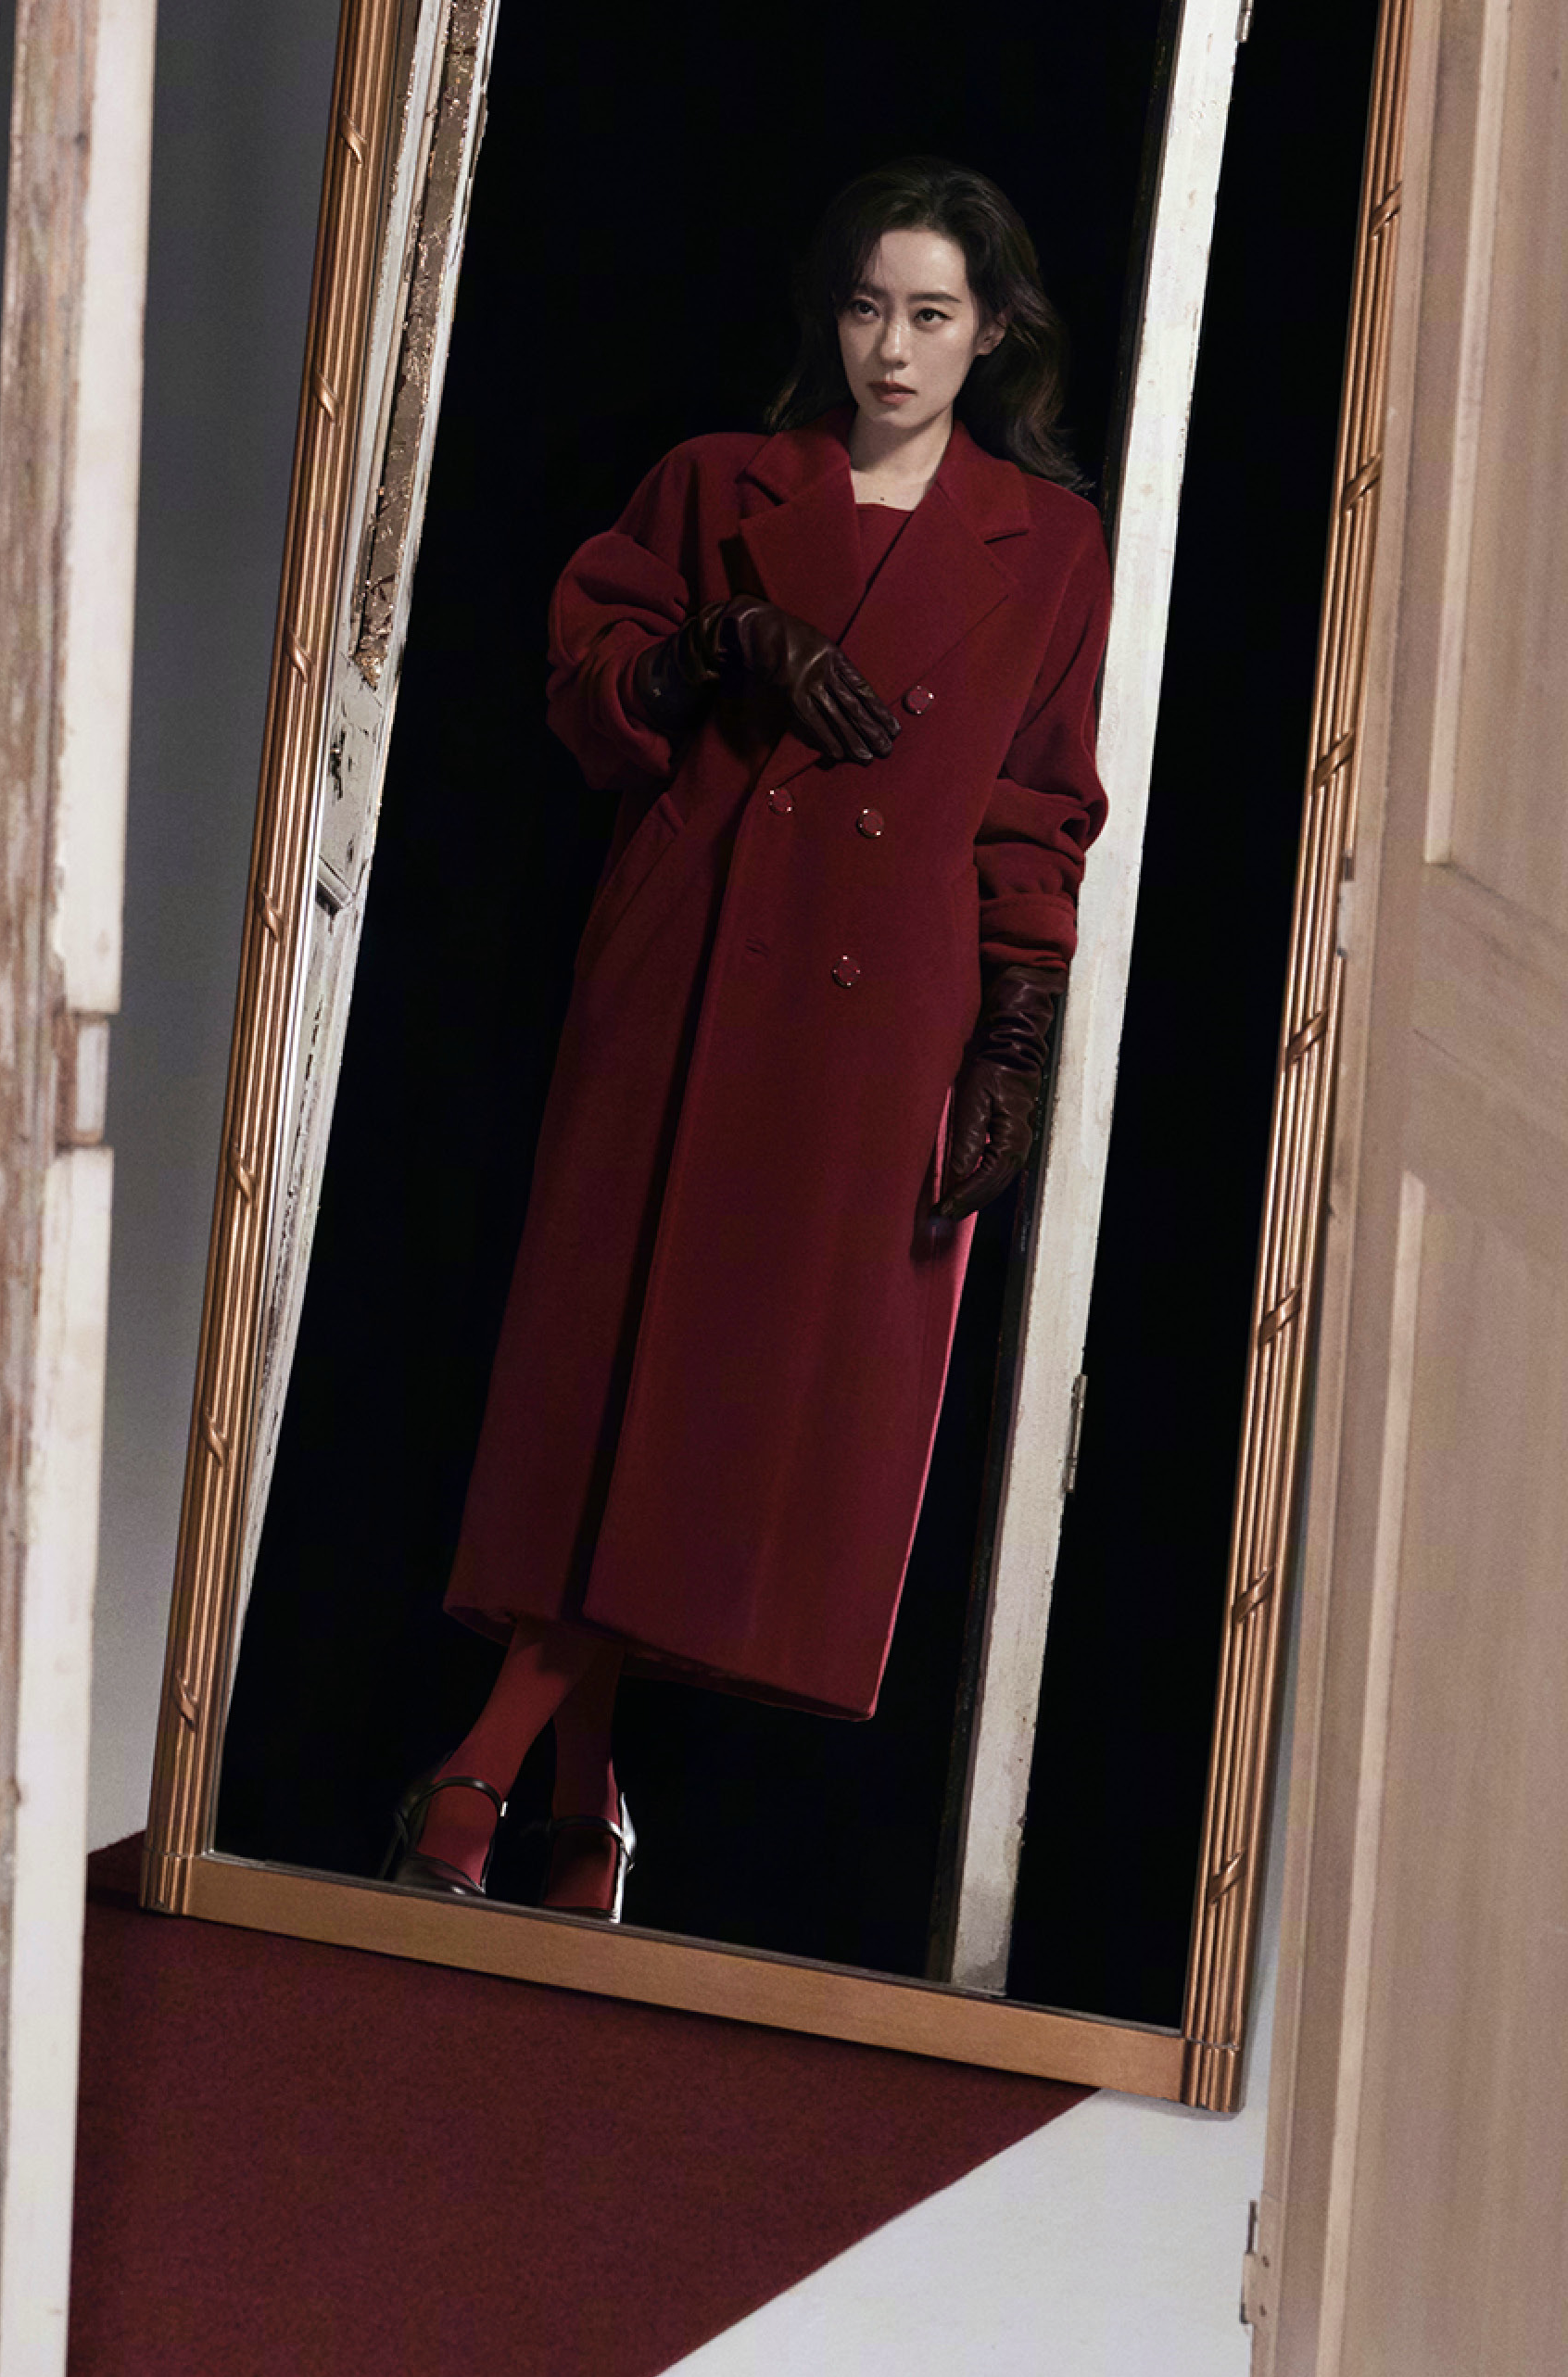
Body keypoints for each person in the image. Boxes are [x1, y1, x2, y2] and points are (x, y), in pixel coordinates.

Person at [393, 163, 1112, 1928]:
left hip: (878, 1025)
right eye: (867, 307)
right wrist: (717, 643)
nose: (891, 348)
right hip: (686, 963)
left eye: (930, 314)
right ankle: (570, 1803)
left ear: (992, 334)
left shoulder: (1047, 545)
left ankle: (496, 1773)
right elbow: (584, 689)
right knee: (615, 1359)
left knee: (731, 1395)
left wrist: (1013, 1043)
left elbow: (1039, 808)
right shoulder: (720, 483)